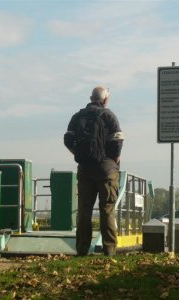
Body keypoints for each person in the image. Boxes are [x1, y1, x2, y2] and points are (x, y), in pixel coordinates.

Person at [64, 86, 124, 256]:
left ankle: (82, 250)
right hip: (106, 168)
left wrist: (78, 154)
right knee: (107, 209)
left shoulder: (77, 116)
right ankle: (109, 250)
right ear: (105, 99)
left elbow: (68, 138)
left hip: (84, 168)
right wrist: (113, 159)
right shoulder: (108, 115)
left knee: (84, 209)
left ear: (91, 98)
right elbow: (118, 140)